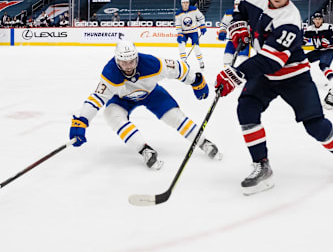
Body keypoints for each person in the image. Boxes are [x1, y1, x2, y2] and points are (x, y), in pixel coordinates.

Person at [214, 0, 333, 195]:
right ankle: (261, 164)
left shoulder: (290, 21)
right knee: (246, 108)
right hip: (265, 75)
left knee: (315, 126)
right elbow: (240, 10)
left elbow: (271, 62)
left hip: (293, 76)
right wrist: (238, 26)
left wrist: (236, 74)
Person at [69, 40, 221, 169]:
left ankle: (203, 142)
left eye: (131, 61)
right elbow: (96, 98)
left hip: (151, 93)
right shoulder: (110, 73)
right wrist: (82, 121)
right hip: (122, 99)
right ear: (117, 61)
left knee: (174, 117)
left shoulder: (151, 64)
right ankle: (144, 149)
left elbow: (178, 68)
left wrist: (196, 80)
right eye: (123, 62)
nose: (128, 66)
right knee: (111, 115)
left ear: (136, 58)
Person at [303, 12, 333, 83]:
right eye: (316, 19)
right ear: (313, 20)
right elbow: (303, 40)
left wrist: (329, 42)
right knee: (302, 60)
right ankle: (301, 80)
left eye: (319, 19)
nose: (317, 21)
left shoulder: (327, 27)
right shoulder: (309, 29)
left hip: (328, 50)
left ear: (322, 20)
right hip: (317, 51)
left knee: (323, 65)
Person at [175, 0, 207, 69]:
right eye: (184, 3)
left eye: (187, 2)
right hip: (184, 32)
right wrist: (179, 34)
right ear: (181, 4)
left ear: (189, 3)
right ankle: (183, 61)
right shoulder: (178, 14)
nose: (185, 4)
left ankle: (201, 61)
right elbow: (178, 25)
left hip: (193, 32)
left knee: (196, 46)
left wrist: (203, 26)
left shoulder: (194, 9)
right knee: (181, 44)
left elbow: (201, 17)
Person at [218, 0, 250, 66]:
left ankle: (245, 75)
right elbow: (223, 25)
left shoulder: (248, 14)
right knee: (227, 58)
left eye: (239, 4)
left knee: (243, 59)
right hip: (232, 40)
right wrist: (222, 32)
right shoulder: (229, 13)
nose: (237, 6)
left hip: (244, 41)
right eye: (236, 4)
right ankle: (228, 73)